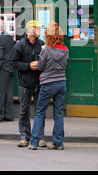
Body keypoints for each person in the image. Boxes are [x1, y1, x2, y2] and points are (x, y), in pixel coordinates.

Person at [29, 21, 68, 150]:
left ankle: (34, 142)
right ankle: (58, 143)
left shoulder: (45, 50)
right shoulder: (65, 50)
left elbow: (40, 66)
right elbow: (65, 66)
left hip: (48, 83)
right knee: (58, 113)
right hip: (61, 82)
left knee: (40, 112)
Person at [11, 20, 46, 147]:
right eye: (38, 29)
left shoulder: (42, 44)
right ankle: (25, 137)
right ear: (31, 30)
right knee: (24, 110)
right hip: (24, 84)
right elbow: (13, 63)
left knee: (40, 110)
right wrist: (28, 66)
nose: (40, 31)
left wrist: (40, 65)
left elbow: (46, 62)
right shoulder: (20, 45)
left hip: (39, 83)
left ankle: (40, 137)